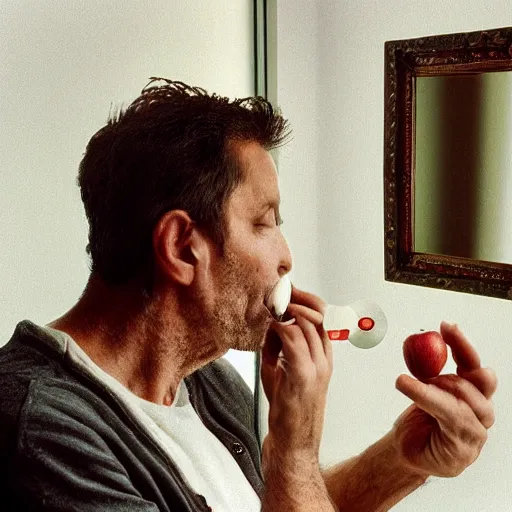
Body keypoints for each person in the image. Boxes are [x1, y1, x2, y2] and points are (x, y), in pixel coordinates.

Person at [0, 78, 496, 511]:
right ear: (181, 248)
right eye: (264, 222)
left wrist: (402, 459)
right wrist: (293, 452)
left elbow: (279, 502)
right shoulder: (44, 432)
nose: (286, 257)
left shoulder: (205, 382)